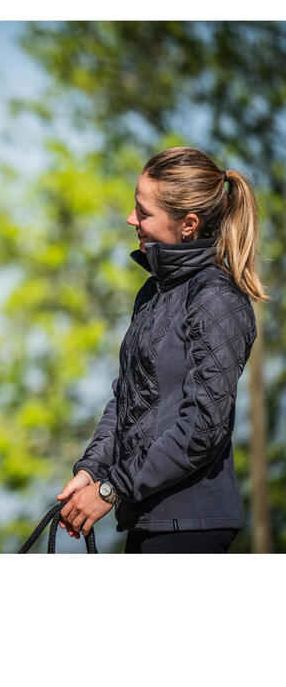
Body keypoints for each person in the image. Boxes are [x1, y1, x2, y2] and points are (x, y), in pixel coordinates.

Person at [56, 147, 266, 553]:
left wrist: (111, 488)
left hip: (192, 524)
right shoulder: (153, 291)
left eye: (144, 212)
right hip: (148, 516)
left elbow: (204, 427)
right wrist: (93, 469)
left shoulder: (217, 299)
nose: (131, 219)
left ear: (187, 225)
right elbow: (127, 398)